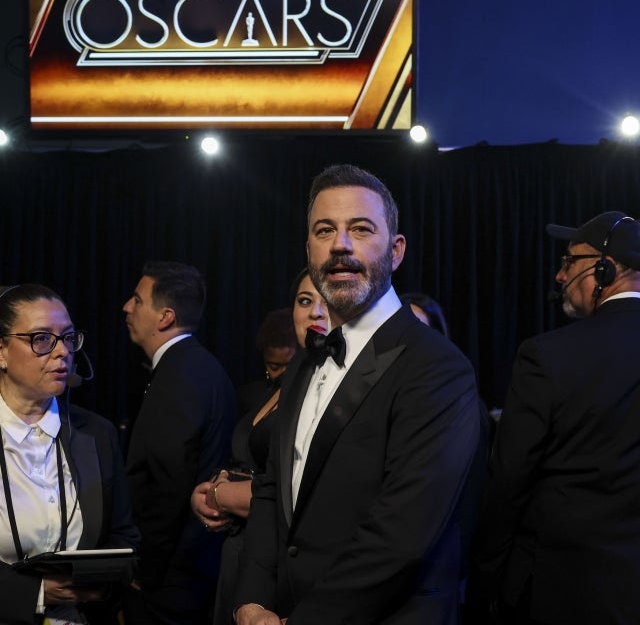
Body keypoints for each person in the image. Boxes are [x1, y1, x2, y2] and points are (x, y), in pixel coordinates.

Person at [233, 163, 484, 625]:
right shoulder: (304, 362)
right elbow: (270, 490)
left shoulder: (438, 368)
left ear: (396, 250)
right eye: (324, 230)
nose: (340, 245)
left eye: (361, 229)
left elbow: (401, 535)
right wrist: (250, 600)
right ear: (309, 249)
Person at [469, 211, 640, 624]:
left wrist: (485, 582)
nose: (560, 276)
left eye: (569, 261)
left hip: (565, 592)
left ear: (604, 269)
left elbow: (508, 481)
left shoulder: (547, 355)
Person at [191, 269, 329, 625]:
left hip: (280, 562)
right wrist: (213, 487)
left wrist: (221, 495)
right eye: (304, 300)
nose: (315, 311)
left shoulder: (329, 393)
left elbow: (295, 492)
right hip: (243, 551)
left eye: (326, 300)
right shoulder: (283, 385)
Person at [0, 283, 140, 625]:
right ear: (1, 352)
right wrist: (35, 593)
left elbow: (125, 538)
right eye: (42, 339)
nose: (62, 351)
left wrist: (99, 584)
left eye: (67, 337)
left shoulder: (97, 434)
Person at [122, 261, 236, 625]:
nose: (127, 307)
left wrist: (144, 568)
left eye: (138, 300)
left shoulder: (180, 374)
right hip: (188, 571)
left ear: (165, 317)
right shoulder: (196, 366)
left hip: (170, 579)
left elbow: (168, 483)